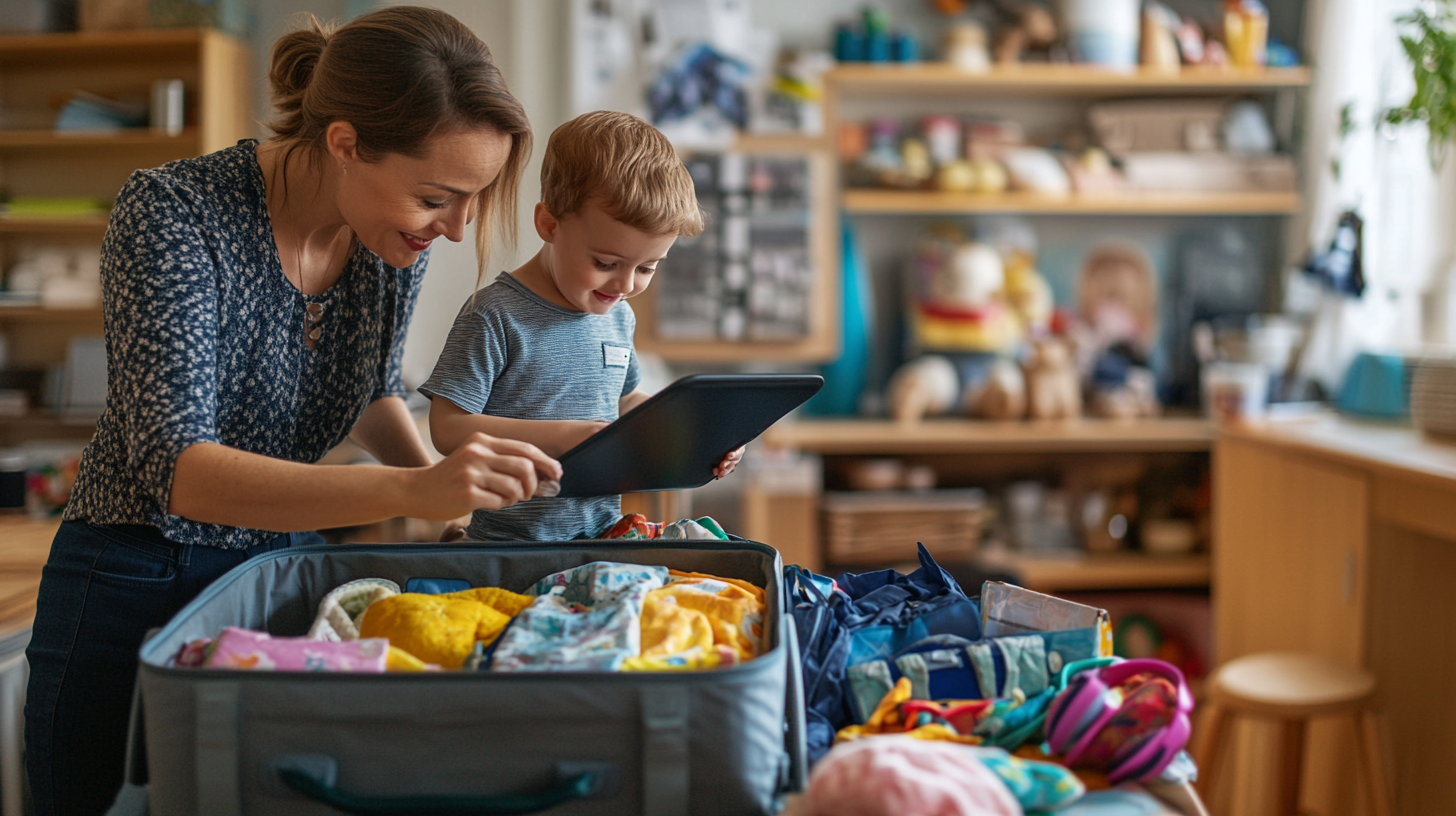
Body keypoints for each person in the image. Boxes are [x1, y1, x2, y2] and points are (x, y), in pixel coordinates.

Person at [24, 8, 560, 814]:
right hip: (133, 573)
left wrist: (450, 493)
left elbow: (374, 389)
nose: (456, 229)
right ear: (345, 142)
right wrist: (414, 493)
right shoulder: (174, 215)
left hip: (277, 567)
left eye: (473, 200)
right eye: (436, 197)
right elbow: (182, 474)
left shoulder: (385, 240)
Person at [421, 111, 743, 541]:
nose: (626, 285)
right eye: (606, 263)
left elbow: (624, 404)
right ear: (549, 224)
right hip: (508, 546)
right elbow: (447, 428)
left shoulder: (616, 316)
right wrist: (570, 436)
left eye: (647, 268)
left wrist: (700, 432)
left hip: (602, 538)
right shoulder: (495, 313)